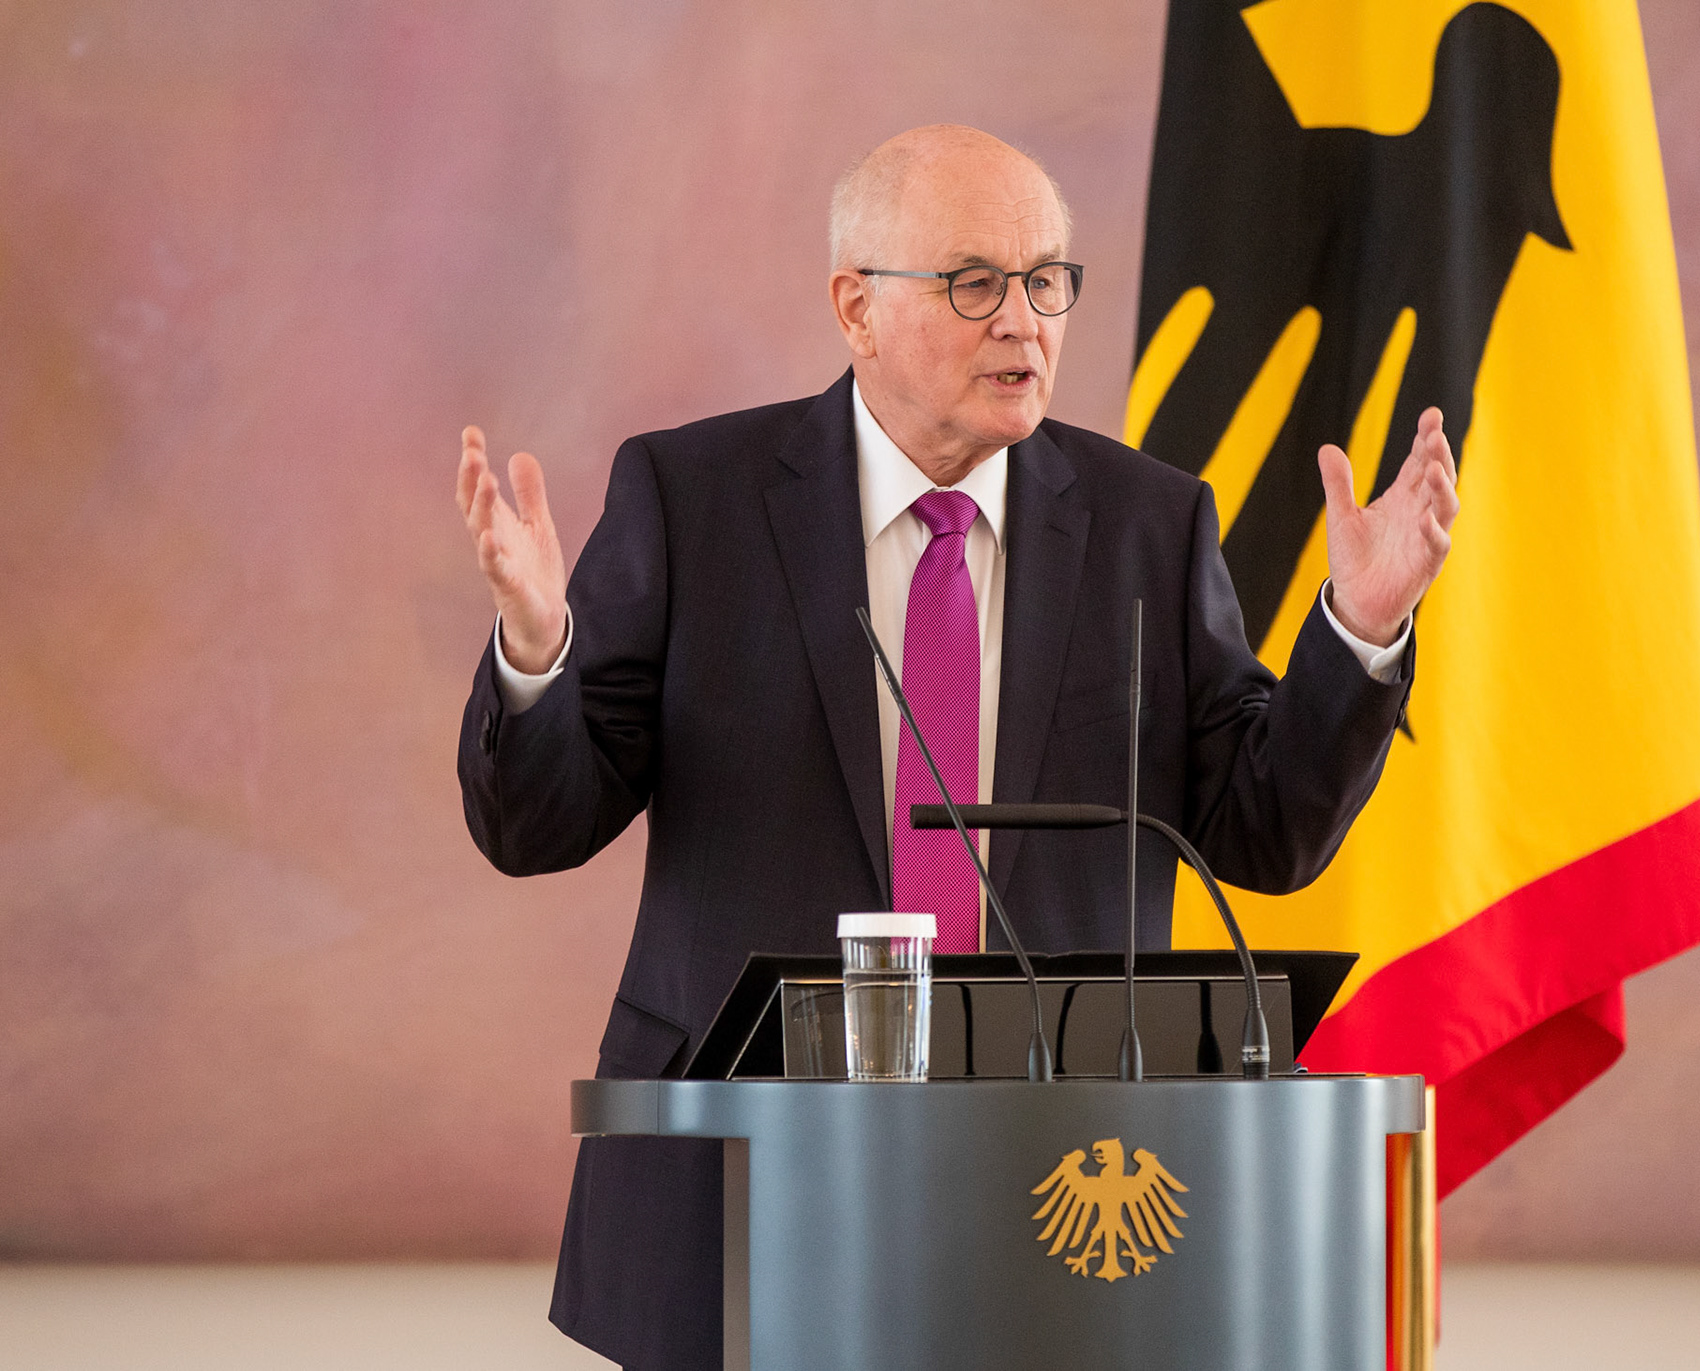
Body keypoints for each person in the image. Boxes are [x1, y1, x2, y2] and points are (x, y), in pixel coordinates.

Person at [454, 124, 1456, 1370]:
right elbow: (538, 823)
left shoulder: (1150, 520)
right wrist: (537, 648)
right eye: (975, 283)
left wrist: (1358, 631)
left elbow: (1268, 830)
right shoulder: (693, 496)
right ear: (855, 309)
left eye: (1048, 282)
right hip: (745, 1187)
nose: (1024, 323)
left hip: (1067, 1194)